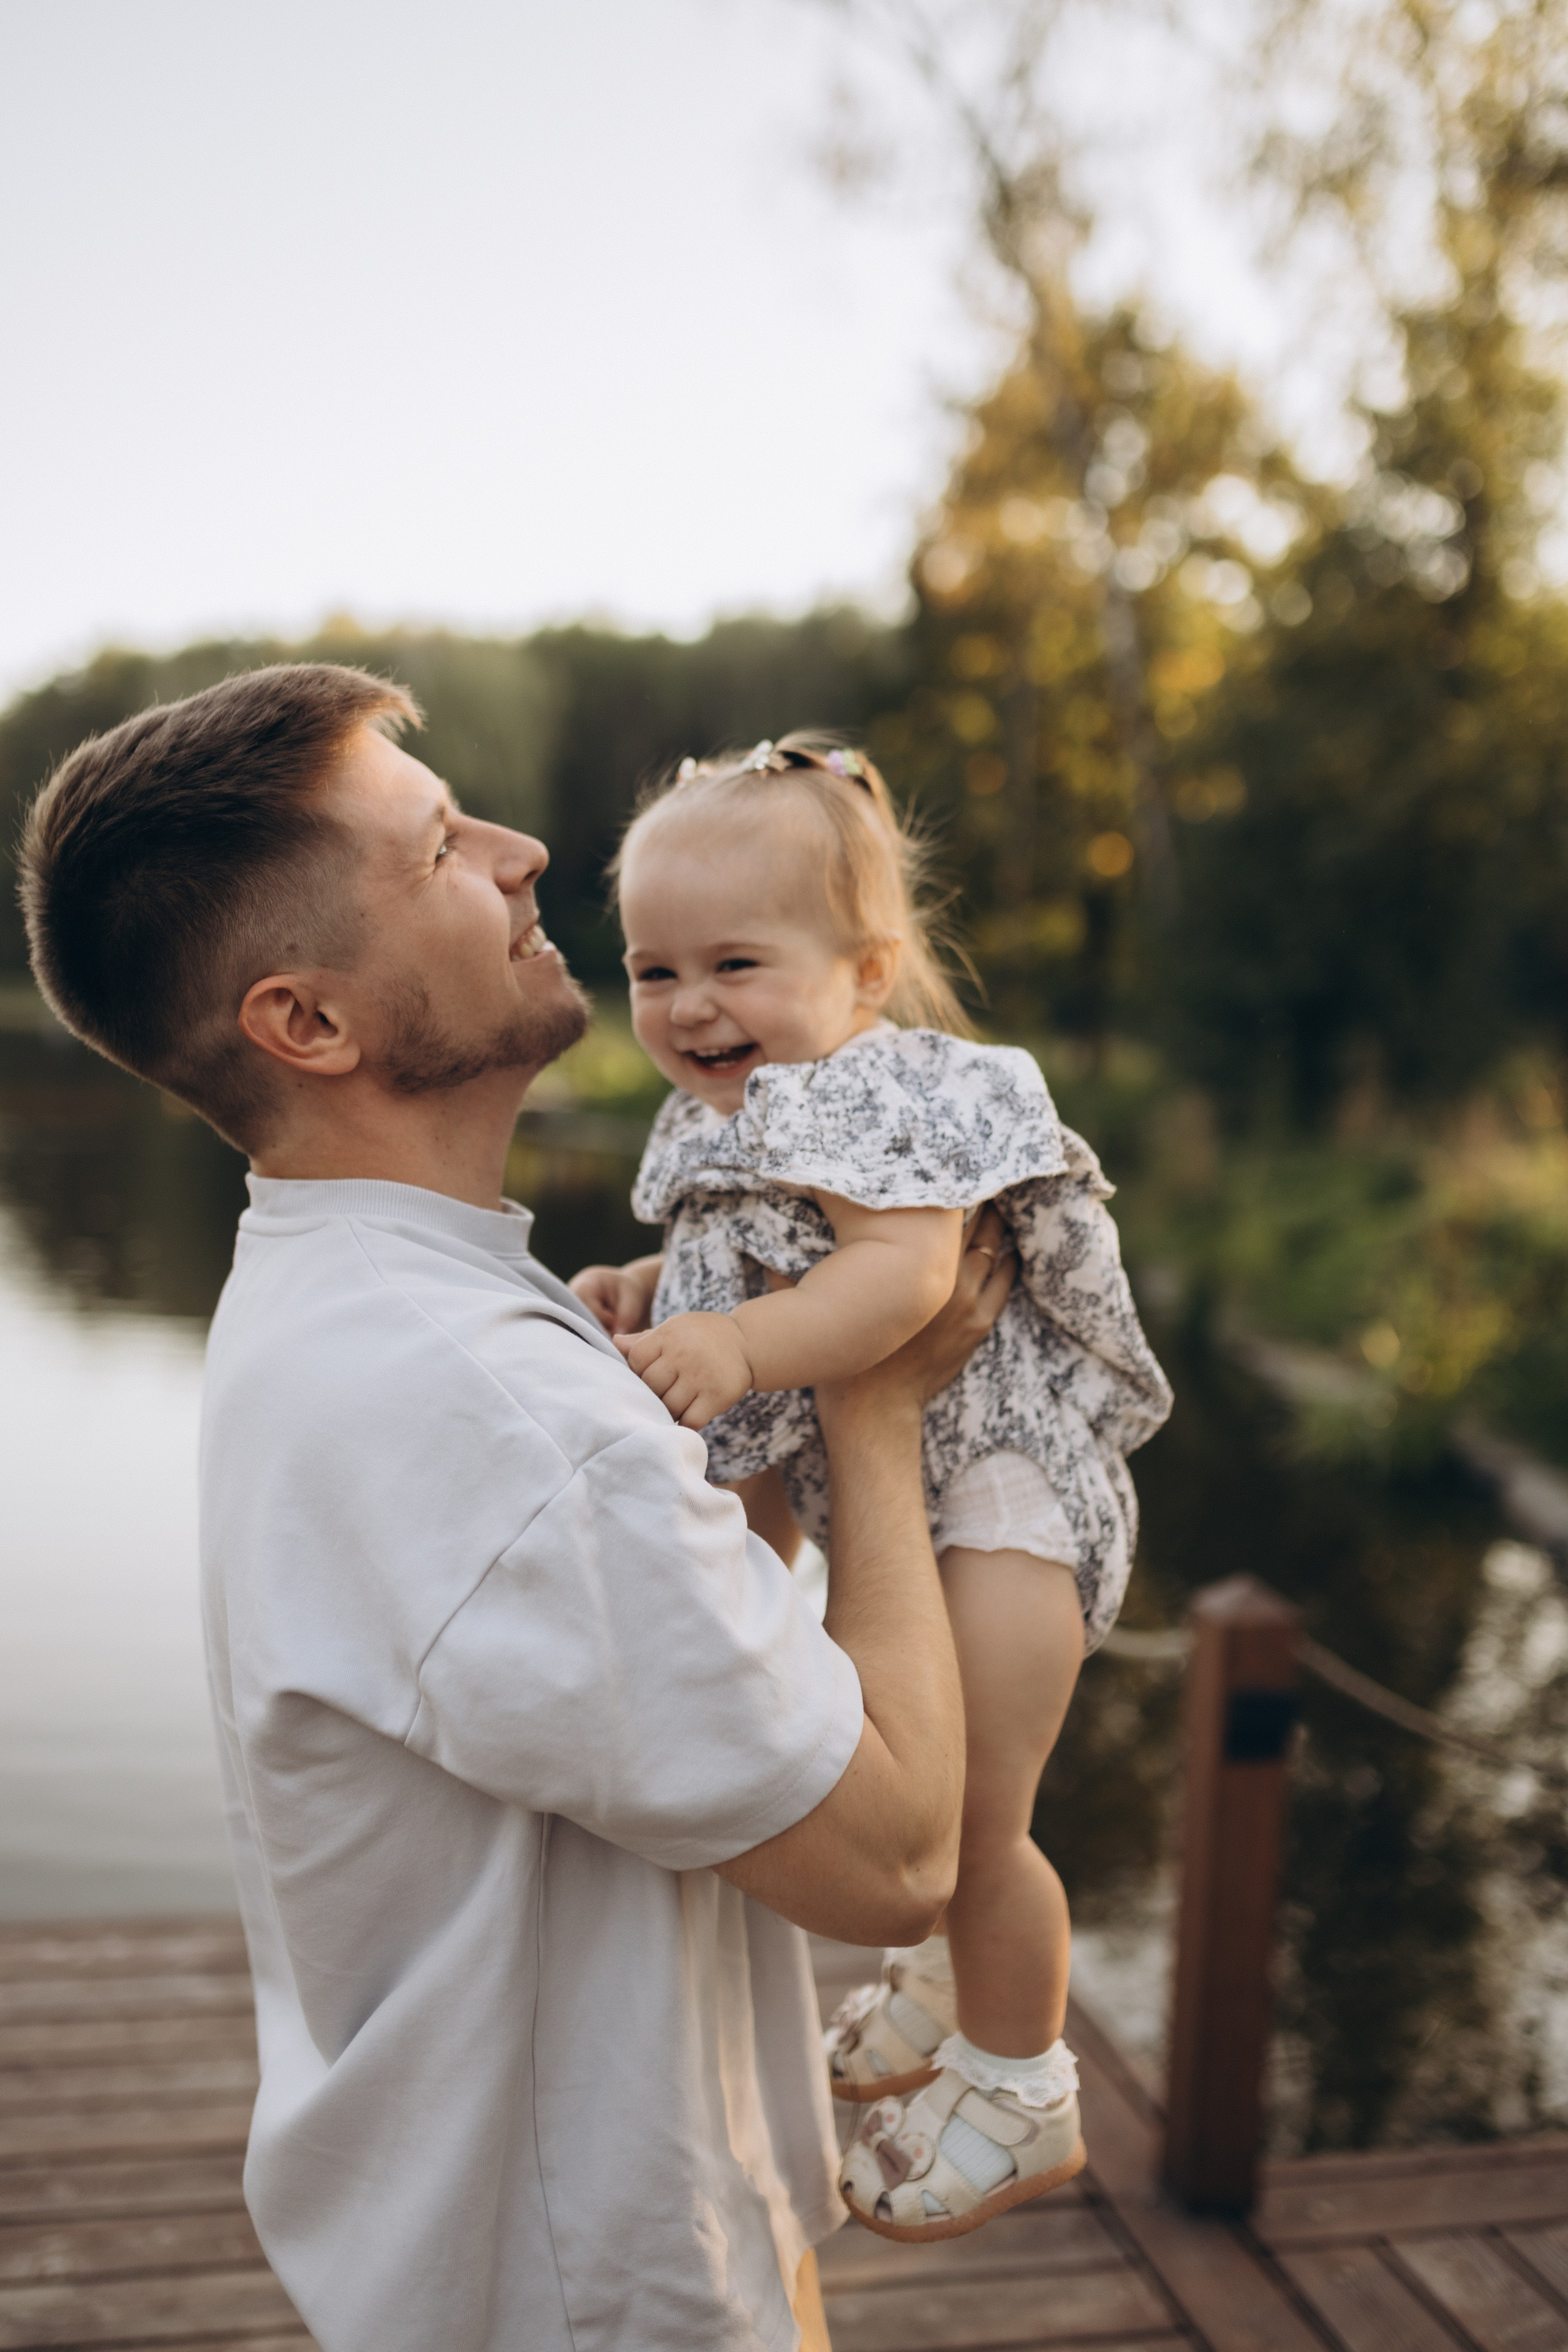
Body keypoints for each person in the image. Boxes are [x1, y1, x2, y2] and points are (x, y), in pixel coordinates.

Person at [17, 665, 1016, 2352]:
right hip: (609, 2294)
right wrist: (876, 1389)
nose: (525, 847)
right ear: (308, 1024)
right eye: (437, 850)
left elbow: (719, 1668)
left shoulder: (386, 1307)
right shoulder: (480, 1408)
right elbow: (903, 1852)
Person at [572, 733, 1172, 2244]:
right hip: (914, 1490)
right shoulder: (746, 1106)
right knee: (922, 1769)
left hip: (1006, 1503)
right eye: (651, 971)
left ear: (863, 971)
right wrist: (660, 1287)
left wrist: (731, 1341)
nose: (689, 1005)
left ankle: (1023, 2080)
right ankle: (939, 1980)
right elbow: (762, 1250)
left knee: (974, 1822)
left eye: (733, 962)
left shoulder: (890, 1095)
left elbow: (898, 1283)